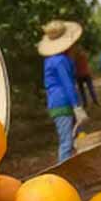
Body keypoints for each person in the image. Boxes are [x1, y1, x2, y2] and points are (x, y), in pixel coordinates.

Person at [37, 20, 89, 162]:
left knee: (77, 137)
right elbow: (67, 85)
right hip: (62, 103)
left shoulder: (51, 60)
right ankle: (63, 175)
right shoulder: (60, 61)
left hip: (57, 102)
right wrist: (77, 107)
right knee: (66, 142)